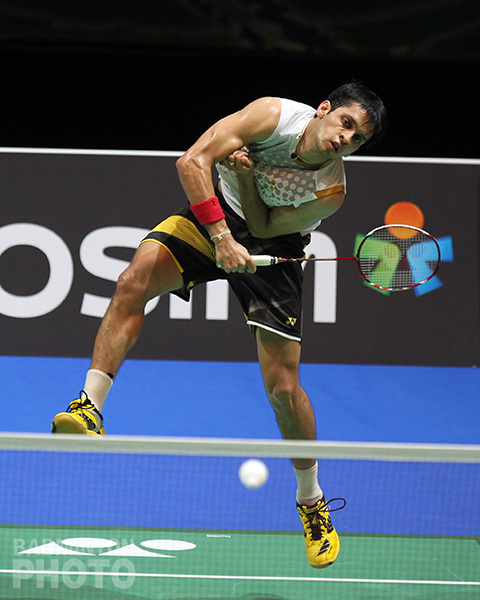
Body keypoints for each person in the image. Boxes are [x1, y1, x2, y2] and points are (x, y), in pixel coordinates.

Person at [51, 81, 387, 569]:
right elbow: (192, 162)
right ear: (324, 109)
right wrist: (221, 236)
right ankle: (89, 407)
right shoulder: (272, 116)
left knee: (282, 388)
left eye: (358, 140)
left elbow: (267, 226)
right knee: (132, 282)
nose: (346, 139)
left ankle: (311, 500)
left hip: (274, 247)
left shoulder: (330, 190)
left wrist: (247, 184)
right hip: (214, 214)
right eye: (346, 123)